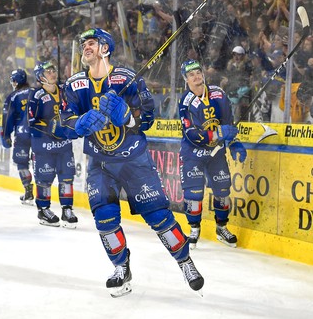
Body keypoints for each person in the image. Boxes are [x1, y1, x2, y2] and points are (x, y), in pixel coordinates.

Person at [56, 28, 204, 296]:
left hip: (134, 162)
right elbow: (63, 124)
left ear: (106, 48)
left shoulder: (128, 79)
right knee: (104, 219)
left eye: (92, 42)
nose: (85, 47)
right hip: (100, 164)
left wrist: (129, 117)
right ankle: (121, 266)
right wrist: (78, 123)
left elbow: (149, 118)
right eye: (83, 44)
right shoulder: (75, 84)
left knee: (159, 216)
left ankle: (185, 262)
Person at [179, 59, 247, 249]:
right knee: (194, 193)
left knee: (223, 190)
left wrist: (234, 143)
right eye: (191, 74)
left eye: (198, 72)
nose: (196, 76)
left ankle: (221, 228)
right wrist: (218, 133)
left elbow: (228, 123)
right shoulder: (185, 101)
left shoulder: (218, 94)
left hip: (216, 153)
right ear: (186, 79)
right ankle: (193, 230)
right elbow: (190, 134)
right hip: (193, 153)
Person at [27, 61, 78, 228]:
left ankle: (67, 209)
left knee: (67, 176)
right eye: (48, 71)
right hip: (44, 147)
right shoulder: (36, 96)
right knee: (44, 179)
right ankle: (43, 210)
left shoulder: (64, 91)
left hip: (64, 145)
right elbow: (32, 121)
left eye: (53, 70)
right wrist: (51, 128)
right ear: (41, 76)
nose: (53, 73)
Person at [1, 69, 35, 205]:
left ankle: (28, 191)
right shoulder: (36, 91)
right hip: (40, 133)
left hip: (22, 135)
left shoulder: (13, 97)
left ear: (16, 81)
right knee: (41, 163)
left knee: (22, 163)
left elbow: (7, 117)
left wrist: (5, 134)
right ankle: (44, 193)